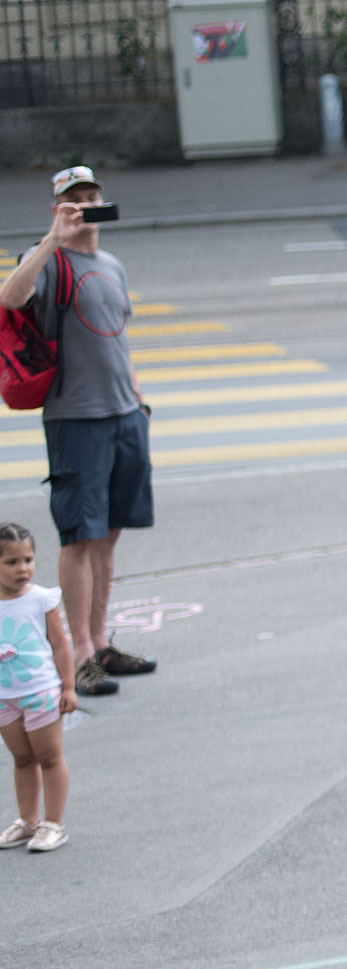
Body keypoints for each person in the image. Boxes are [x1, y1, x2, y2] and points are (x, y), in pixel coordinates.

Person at [0, 168, 154, 702]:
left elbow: (120, 337)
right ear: (57, 209)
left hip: (124, 415)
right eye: (74, 201)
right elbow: (11, 299)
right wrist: (52, 241)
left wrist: (138, 400)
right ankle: (82, 655)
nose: (85, 207)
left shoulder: (111, 264)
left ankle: (99, 642)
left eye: (91, 198)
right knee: (79, 537)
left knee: (109, 533)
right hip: (76, 418)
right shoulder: (46, 261)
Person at [0, 520, 73, 850]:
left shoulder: (42, 599)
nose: (22, 569)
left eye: (27, 560)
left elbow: (59, 644)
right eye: (11, 562)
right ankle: (28, 821)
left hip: (41, 692)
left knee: (49, 756)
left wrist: (68, 687)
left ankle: (53, 823)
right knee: (22, 759)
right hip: (5, 698)